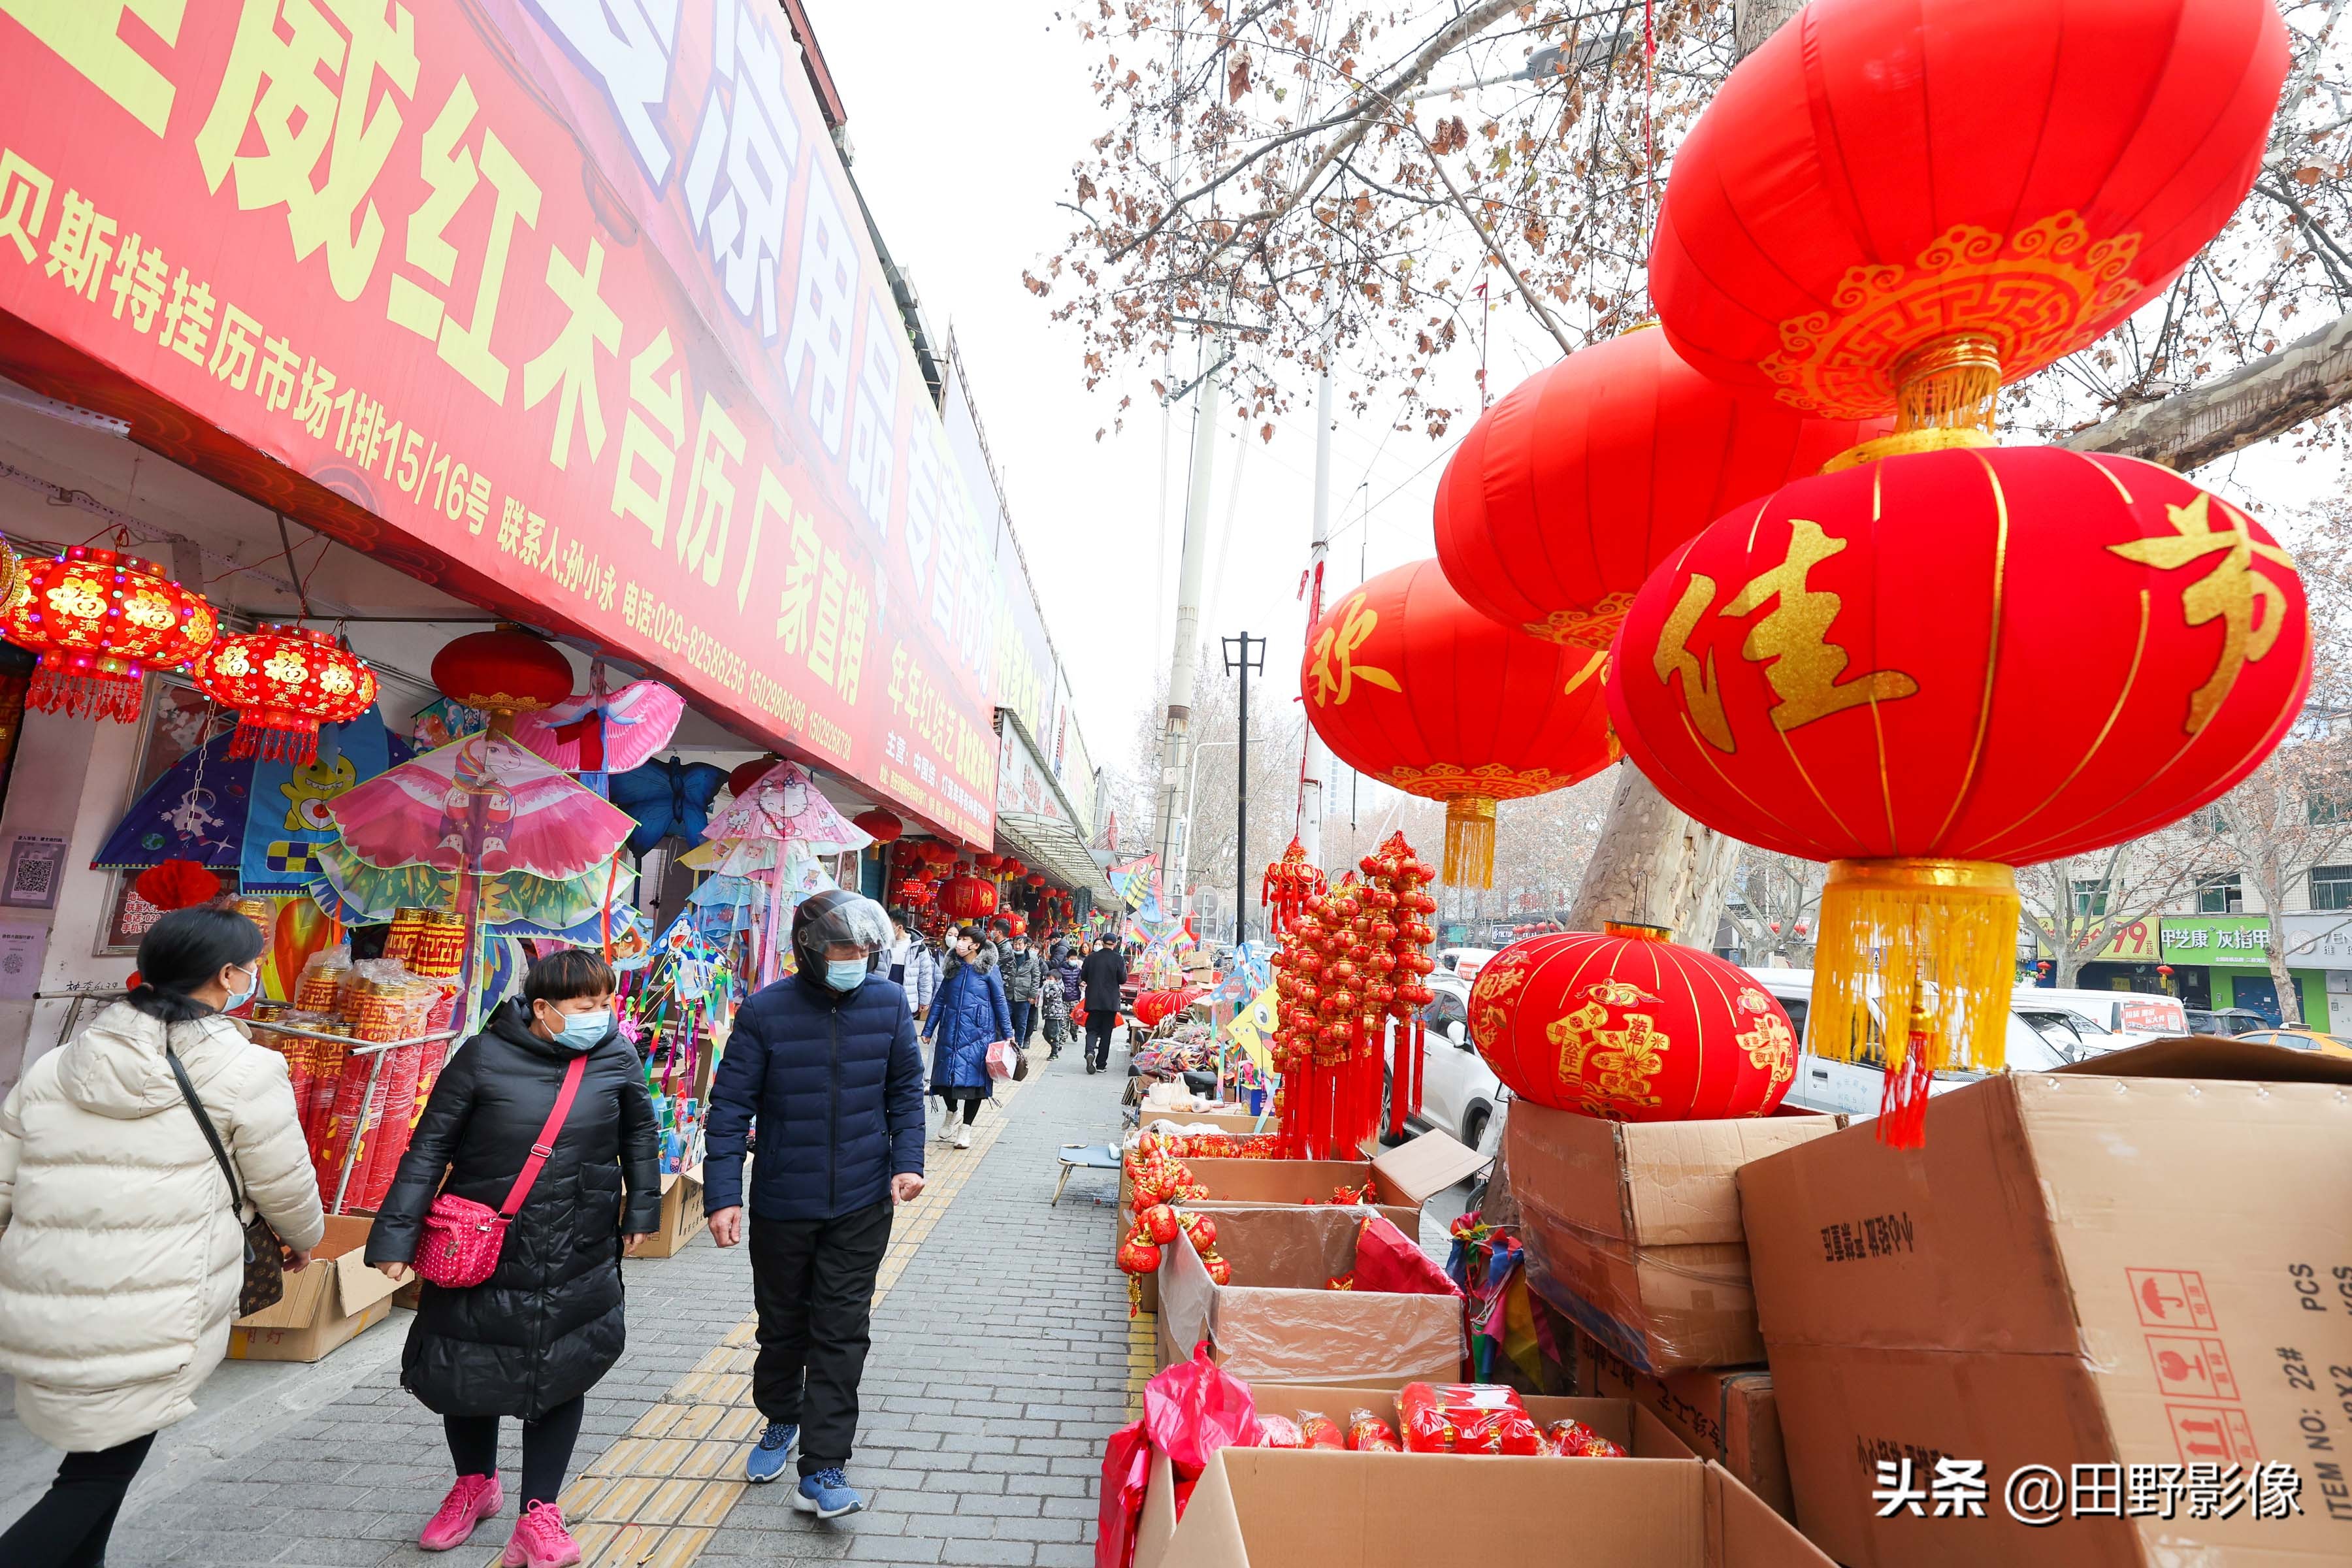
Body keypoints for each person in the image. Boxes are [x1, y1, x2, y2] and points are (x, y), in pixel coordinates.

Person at [0, 904, 327, 1568]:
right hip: (159, 1302)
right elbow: (283, 1183)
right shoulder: (247, 1071)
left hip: (46, 1294)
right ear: (228, 976)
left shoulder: (60, 1064)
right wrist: (303, 1238)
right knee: (93, 1475)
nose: (255, 976)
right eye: (253, 967)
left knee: (97, 1462)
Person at [368, 950, 659, 1567]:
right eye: (587, 1008)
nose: (601, 1017)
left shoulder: (616, 1055)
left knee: (561, 1369)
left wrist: (641, 1212)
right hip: (483, 1243)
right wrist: (395, 1237)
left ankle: (540, 1514)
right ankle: (474, 1484)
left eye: (606, 1004)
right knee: (465, 1367)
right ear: (544, 1009)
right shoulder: (482, 1055)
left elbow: (640, 1134)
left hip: (577, 1244)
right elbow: (429, 1147)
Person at [704, 890, 924, 1518]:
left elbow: (906, 1089)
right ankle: (780, 1417)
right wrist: (723, 1195)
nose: (857, 958)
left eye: (864, 949)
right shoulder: (765, 1012)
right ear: (809, 949)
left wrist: (909, 1161)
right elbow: (728, 1112)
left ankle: (824, 1467)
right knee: (782, 1327)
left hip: (861, 1200)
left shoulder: (886, 1004)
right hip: (783, 1201)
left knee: (841, 1331)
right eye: (844, 948)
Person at [924, 926, 1011, 1147]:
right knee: (945, 1079)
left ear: (976, 945)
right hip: (950, 1032)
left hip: (979, 1035)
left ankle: (966, 1129)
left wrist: (1009, 1034)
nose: (959, 943)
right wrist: (927, 1030)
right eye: (959, 938)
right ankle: (951, 1113)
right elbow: (940, 1000)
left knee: (975, 1086)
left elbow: (1000, 1001)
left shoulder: (989, 971)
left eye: (964, 940)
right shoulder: (953, 969)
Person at [876, 906, 940, 1024]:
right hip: (881, 998)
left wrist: (924, 1000)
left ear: (899, 928)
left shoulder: (918, 947)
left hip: (906, 999)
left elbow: (925, 975)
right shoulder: (881, 944)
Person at [1079, 932, 1128, 1075]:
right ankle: (1101, 1064)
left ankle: (1090, 1052)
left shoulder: (1091, 958)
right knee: (1106, 1033)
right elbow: (1123, 979)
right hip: (1110, 1002)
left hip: (1093, 1000)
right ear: (1114, 944)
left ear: (1102, 942)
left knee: (1092, 1029)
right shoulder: (1118, 959)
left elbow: (1083, 976)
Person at [1000, 929, 1043, 1049]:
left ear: (1025, 945)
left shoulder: (1032, 958)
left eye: (1020, 944)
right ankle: (1004, 1043)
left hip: (1024, 995)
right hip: (1008, 993)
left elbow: (1036, 977)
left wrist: (1033, 995)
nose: (1017, 947)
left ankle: (1018, 1044)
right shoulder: (1008, 955)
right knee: (1004, 1019)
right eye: (1015, 944)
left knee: (1022, 1022)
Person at [1039, 942, 1079, 1060]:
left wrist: (1046, 986)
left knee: (1061, 1028)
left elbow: (1048, 995)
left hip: (1057, 1012)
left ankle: (1055, 1050)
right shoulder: (1061, 970)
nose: (1048, 981)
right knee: (1047, 1033)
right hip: (1051, 1011)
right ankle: (1057, 1045)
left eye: (1050, 979)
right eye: (1048, 979)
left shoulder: (1057, 987)